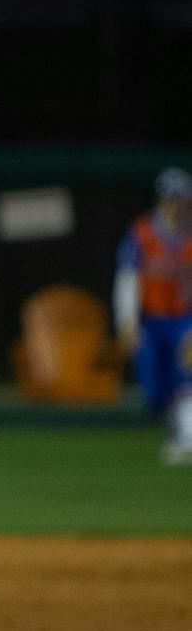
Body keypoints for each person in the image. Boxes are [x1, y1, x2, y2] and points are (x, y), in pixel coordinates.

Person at [115, 167, 192, 460]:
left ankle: (184, 438)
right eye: (172, 198)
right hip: (151, 320)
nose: (177, 205)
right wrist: (127, 321)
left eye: (182, 199)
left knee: (186, 376)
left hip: (186, 319)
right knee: (154, 387)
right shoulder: (143, 233)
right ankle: (173, 425)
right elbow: (127, 279)